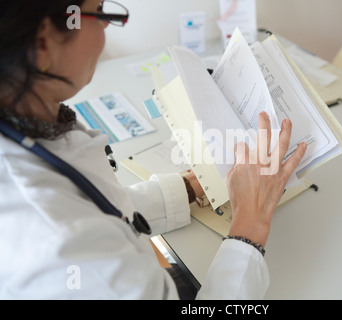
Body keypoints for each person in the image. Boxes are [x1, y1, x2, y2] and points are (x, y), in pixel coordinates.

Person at [0, 0, 307, 299]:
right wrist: (250, 226)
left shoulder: (23, 126)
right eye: (99, 12)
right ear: (43, 43)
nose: (107, 23)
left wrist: (191, 186)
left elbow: (94, 206)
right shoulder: (57, 242)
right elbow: (78, 226)